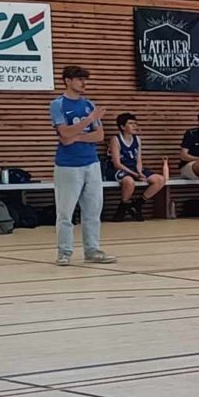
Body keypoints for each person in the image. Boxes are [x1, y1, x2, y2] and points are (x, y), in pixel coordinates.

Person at [49, 65, 115, 265]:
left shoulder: (88, 104)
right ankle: (64, 252)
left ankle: (92, 250)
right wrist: (88, 121)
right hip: (68, 166)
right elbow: (64, 133)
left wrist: (76, 136)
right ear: (68, 81)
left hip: (91, 163)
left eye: (85, 79)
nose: (84, 83)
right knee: (65, 212)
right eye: (79, 79)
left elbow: (99, 135)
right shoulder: (58, 104)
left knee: (93, 210)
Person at [108, 112, 166, 222]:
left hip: (134, 168)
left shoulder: (137, 139)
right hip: (120, 169)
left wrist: (140, 172)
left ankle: (138, 204)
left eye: (135, 123)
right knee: (129, 182)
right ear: (122, 127)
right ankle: (122, 207)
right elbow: (117, 163)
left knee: (160, 179)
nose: (134, 126)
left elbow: (139, 160)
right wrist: (134, 174)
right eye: (131, 123)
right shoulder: (115, 139)